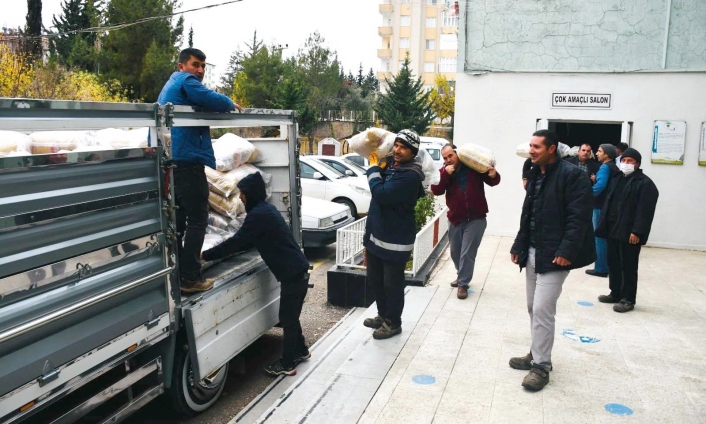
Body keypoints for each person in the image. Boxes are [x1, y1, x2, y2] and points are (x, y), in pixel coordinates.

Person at [509, 130, 595, 391]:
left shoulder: (573, 176)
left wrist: (567, 251)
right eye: (530, 146)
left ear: (551, 149)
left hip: (556, 255)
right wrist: (519, 244)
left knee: (543, 309)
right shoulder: (536, 174)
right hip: (535, 250)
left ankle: (541, 367)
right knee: (532, 307)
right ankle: (536, 353)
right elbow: (529, 214)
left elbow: (578, 218)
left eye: (536, 147)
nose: (531, 150)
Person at [202, 172, 311, 376]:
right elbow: (250, 239)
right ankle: (301, 350)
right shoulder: (265, 210)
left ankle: (287, 364)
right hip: (297, 271)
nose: (241, 198)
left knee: (287, 318)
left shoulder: (258, 215)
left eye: (242, 193)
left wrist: (206, 255)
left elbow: (238, 241)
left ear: (250, 194)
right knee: (291, 315)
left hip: (293, 274)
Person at [157, 48, 241, 293]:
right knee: (198, 219)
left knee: (181, 220)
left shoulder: (172, 84)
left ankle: (178, 272)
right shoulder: (186, 80)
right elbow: (212, 99)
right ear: (182, 65)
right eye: (196, 65)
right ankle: (190, 278)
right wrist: (228, 103)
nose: (200, 71)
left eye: (203, 66)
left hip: (176, 162)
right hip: (187, 161)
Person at [363, 129, 425, 340]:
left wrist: (372, 169)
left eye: (404, 148)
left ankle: (393, 323)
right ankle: (383, 315)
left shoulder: (410, 175)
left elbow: (380, 194)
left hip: (395, 241)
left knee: (392, 285)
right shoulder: (392, 165)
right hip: (378, 236)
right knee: (376, 281)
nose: (398, 150)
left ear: (413, 152)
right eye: (396, 145)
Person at [431, 144, 501, 299]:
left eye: (451, 155)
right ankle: (461, 274)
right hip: (455, 219)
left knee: (467, 252)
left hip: (476, 219)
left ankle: (463, 284)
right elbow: (436, 190)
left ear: (457, 154)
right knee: (455, 252)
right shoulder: (444, 171)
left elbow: (493, 181)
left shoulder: (472, 166)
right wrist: (445, 175)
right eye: (445, 158)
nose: (448, 160)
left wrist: (493, 174)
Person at [596, 148, 659, 313]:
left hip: (629, 232)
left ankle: (628, 299)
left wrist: (637, 232)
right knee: (614, 262)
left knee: (628, 266)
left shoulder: (645, 184)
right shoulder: (617, 178)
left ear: (637, 164)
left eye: (630, 161)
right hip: (612, 228)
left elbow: (644, 211)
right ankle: (615, 293)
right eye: (624, 160)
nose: (626, 164)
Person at [585, 144, 620, 278]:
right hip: (609, 206)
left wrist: (585, 197)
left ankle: (600, 268)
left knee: (599, 237)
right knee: (606, 238)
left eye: (600, 151)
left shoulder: (605, 167)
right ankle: (607, 266)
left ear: (607, 154)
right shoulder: (613, 167)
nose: (597, 153)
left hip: (600, 206)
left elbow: (600, 186)